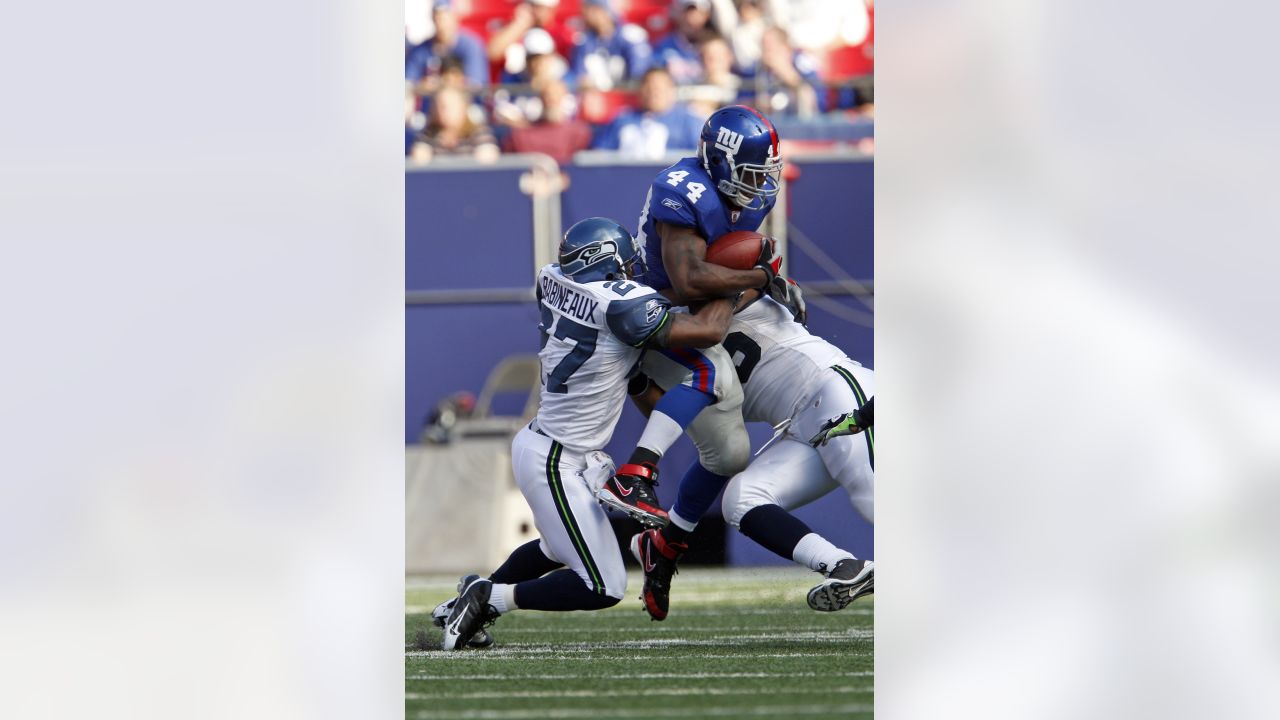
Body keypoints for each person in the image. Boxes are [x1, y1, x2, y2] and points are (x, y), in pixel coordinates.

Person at [438, 217, 749, 650]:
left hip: (552, 447)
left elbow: (622, 306)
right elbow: (708, 331)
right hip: (557, 459)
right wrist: (733, 284)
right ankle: (492, 597)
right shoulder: (617, 304)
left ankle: (464, 601)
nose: (630, 272)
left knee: (554, 549)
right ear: (603, 263)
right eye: (623, 265)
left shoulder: (551, 277)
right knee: (602, 585)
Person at [594, 105, 808, 621]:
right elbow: (689, 279)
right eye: (752, 172)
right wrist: (759, 279)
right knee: (720, 377)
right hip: (653, 317)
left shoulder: (743, 195)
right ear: (721, 159)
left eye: (765, 173)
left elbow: (727, 263)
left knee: (732, 455)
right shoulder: (683, 188)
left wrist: (760, 278)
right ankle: (638, 469)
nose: (760, 185)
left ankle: (662, 547)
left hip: (690, 308)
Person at [714, 294, 876, 611]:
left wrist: (765, 275)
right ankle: (843, 565)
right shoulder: (652, 330)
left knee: (874, 500)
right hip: (801, 426)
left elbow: (730, 272)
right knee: (741, 498)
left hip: (834, 393)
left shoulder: (721, 286)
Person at [591, 67, 704, 158]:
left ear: (671, 91)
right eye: (648, 87)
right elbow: (599, 155)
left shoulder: (688, 122)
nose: (653, 92)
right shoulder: (622, 119)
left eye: (659, 88)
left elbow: (701, 159)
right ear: (640, 91)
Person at [740, 25, 827, 116]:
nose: (767, 54)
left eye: (770, 48)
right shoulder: (756, 69)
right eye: (764, 48)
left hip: (797, 124)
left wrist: (790, 76)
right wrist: (757, 104)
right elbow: (740, 105)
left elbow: (816, 106)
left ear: (785, 48)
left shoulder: (802, 64)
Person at [405, 0, 489, 93]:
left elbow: (477, 84)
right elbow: (409, 83)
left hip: (463, 104)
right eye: (438, 18)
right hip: (428, 105)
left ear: (454, 17)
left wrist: (449, 83)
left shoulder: (470, 46)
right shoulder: (421, 50)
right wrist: (422, 86)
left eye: (445, 17)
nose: (441, 24)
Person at [501, 80, 593, 164]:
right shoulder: (521, 135)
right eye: (547, 95)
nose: (551, 100)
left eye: (556, 95)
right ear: (541, 98)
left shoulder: (579, 133)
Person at [569, 0, 653, 91]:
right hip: (594, 98)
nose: (587, 15)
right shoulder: (584, 41)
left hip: (626, 95)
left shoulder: (630, 36)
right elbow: (577, 75)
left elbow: (639, 75)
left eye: (594, 10)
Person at [408, 87, 499, 164]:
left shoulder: (479, 132)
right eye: (441, 106)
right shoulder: (428, 134)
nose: (446, 111)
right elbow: (419, 161)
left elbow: (488, 160)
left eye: (451, 106)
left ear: (463, 106)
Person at [652, 0, 717, 84]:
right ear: (678, 14)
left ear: (706, 16)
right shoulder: (663, 46)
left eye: (697, 13)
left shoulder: (714, 47)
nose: (691, 19)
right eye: (687, 12)